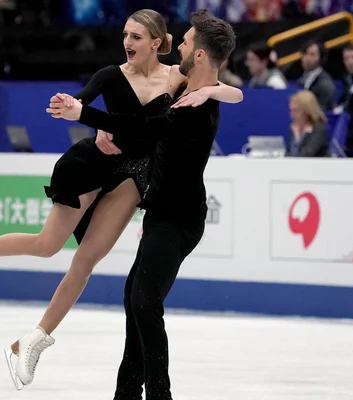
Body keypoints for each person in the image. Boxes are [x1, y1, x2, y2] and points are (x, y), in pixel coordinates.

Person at [0, 8, 242, 389]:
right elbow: (80, 102)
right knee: (47, 244)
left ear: (156, 42)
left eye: (136, 36)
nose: (127, 42)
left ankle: (31, 343)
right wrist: (76, 111)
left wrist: (213, 90)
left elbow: (230, 90)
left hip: (135, 177)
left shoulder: (177, 76)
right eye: (125, 35)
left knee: (86, 260)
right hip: (92, 165)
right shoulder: (109, 75)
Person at [47, 9, 236, 399]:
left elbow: (143, 127)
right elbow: (235, 91)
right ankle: (128, 391)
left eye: (184, 42)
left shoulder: (193, 108)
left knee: (143, 300)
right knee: (136, 296)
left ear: (199, 55)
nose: (177, 45)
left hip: (179, 219)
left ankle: (157, 393)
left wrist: (86, 114)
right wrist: (215, 88)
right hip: (162, 212)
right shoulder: (190, 89)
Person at [287, 90, 330, 157]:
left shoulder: (319, 129)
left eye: (295, 111)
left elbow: (307, 155)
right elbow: (289, 153)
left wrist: (297, 137)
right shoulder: (294, 127)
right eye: (291, 111)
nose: (292, 115)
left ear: (307, 111)